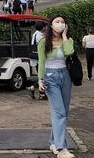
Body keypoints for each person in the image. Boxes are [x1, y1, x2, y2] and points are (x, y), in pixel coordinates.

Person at [38, 15, 75, 158]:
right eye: (57, 22)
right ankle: (61, 148)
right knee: (59, 112)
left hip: (65, 76)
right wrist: (40, 80)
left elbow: (69, 52)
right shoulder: (43, 42)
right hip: (50, 78)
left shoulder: (68, 40)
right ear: (51, 25)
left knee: (63, 112)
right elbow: (41, 62)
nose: (60, 24)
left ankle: (54, 142)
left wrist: (65, 35)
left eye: (62, 22)